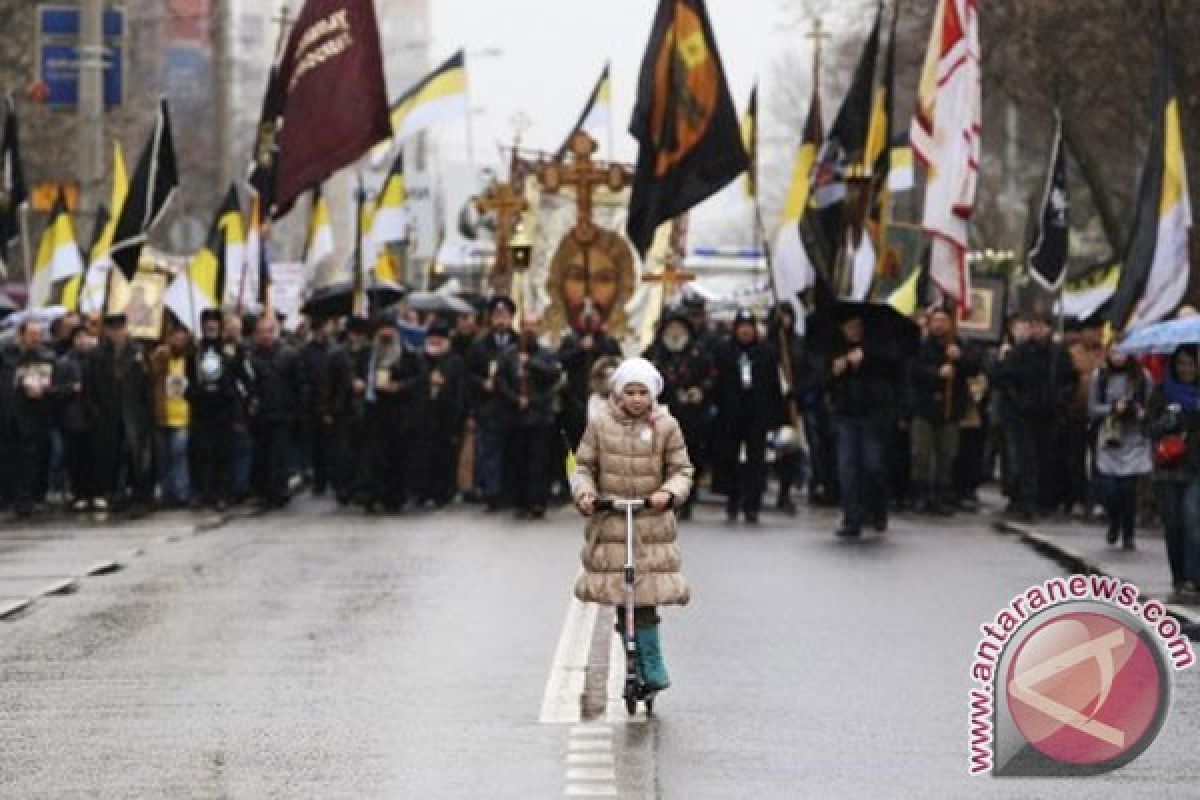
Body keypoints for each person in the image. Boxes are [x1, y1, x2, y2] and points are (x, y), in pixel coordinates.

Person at [573, 357, 694, 694]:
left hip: (649, 525)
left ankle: (651, 663)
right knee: (620, 595)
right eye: (631, 392)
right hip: (612, 521)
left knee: (644, 597)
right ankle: (631, 659)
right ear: (619, 394)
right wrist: (585, 494)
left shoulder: (665, 426)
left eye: (643, 392)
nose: (637, 398)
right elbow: (583, 467)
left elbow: (681, 470)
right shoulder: (599, 425)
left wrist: (667, 493)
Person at [826, 308, 900, 537]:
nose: (853, 331)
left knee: (873, 465)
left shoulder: (879, 346)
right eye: (849, 327)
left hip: (873, 414)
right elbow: (820, 379)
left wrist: (867, 357)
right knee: (847, 468)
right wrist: (834, 372)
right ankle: (852, 518)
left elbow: (894, 365)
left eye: (857, 327)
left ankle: (877, 508)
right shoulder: (834, 349)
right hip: (846, 414)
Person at [711, 309, 784, 524]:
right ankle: (732, 500)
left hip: (757, 414)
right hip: (731, 414)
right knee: (730, 458)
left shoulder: (767, 353)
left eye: (749, 327)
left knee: (756, 461)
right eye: (741, 327)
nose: (745, 331)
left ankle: (752, 505)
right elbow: (717, 383)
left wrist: (775, 416)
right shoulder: (724, 351)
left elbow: (774, 386)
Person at [908, 307, 980, 515]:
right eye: (935, 320)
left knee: (947, 453)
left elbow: (975, 367)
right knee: (921, 453)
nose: (939, 324)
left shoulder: (959, 345)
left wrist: (959, 359)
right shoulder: (921, 346)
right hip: (925, 407)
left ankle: (942, 494)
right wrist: (936, 374)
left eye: (943, 320)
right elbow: (913, 371)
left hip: (950, 410)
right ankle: (920, 494)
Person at [644, 308, 711, 519]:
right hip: (660, 414)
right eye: (671, 328)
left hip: (690, 416)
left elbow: (711, 378)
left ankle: (685, 498)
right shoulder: (652, 354)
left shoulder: (698, 355)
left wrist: (700, 390)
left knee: (687, 458)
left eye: (679, 328)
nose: (674, 333)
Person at [1146, 346, 1200, 594]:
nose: (1187, 369)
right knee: (1173, 523)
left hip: (1195, 467)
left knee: (1191, 519)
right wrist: (1167, 422)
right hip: (1167, 468)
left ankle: (1193, 576)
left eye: (1191, 364)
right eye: (1182, 364)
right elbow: (1147, 429)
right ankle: (1178, 575)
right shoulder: (1162, 391)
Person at [87, 313, 154, 511]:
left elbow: (146, 385)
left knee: (135, 453)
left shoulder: (137, 352)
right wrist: (95, 412)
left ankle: (139, 492)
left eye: (120, 329)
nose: (117, 333)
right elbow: (90, 387)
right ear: (107, 331)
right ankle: (113, 491)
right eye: (113, 329)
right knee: (110, 454)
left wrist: (146, 411)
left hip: (133, 412)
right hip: (108, 412)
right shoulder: (97, 355)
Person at [497, 313, 562, 518]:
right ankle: (520, 501)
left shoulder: (545, 354)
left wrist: (531, 363)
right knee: (518, 460)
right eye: (526, 325)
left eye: (534, 325)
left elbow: (553, 376)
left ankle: (538, 501)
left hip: (540, 416)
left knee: (539, 461)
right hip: (515, 415)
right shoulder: (509, 354)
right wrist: (515, 398)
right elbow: (501, 381)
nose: (530, 329)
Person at [1088, 346, 1153, 549]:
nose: (1118, 358)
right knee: (1111, 488)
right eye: (1114, 353)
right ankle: (1113, 519)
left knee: (1128, 489)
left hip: (1134, 438)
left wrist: (1138, 411)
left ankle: (1128, 532)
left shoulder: (1143, 377)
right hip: (1110, 436)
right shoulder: (1100, 375)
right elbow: (1092, 408)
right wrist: (1112, 409)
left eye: (1122, 353)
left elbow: (1150, 406)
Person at [363, 320, 423, 512]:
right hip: (374, 412)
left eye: (389, 329)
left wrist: (401, 386)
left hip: (399, 412)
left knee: (397, 457)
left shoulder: (407, 353)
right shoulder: (368, 354)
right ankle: (372, 495)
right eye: (382, 329)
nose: (386, 333)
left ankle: (394, 497)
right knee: (374, 457)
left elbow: (420, 378)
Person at [187, 309, 243, 510]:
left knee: (223, 453)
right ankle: (203, 492)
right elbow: (189, 378)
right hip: (202, 410)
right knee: (202, 453)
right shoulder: (195, 350)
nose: (210, 326)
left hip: (223, 409)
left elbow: (238, 376)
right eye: (207, 322)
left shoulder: (229, 350)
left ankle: (223, 493)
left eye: (214, 322)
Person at [466, 296, 518, 511]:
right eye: (497, 316)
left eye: (504, 316)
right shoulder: (479, 345)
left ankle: (509, 491)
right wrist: (481, 383)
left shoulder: (519, 342)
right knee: (489, 452)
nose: (501, 321)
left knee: (510, 450)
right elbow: (469, 374)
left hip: (512, 405)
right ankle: (491, 493)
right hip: (488, 407)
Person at [247, 315, 302, 508]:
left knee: (279, 454)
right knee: (262, 453)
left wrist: (296, 411)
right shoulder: (251, 357)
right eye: (261, 332)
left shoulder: (289, 355)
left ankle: (279, 489)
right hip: (260, 414)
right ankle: (264, 491)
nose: (265, 336)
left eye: (269, 332)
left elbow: (298, 385)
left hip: (283, 413)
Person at [414, 320, 466, 508]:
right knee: (422, 456)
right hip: (423, 416)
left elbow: (460, 392)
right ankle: (422, 491)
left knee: (445, 457)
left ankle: (443, 493)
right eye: (432, 338)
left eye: (439, 338)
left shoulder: (455, 361)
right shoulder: (419, 359)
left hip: (446, 417)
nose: (435, 341)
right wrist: (427, 381)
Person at [8, 320, 57, 516]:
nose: (36, 338)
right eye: (32, 334)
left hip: (35, 416)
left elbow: (50, 381)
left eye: (38, 334)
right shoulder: (7, 355)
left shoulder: (46, 356)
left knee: (31, 459)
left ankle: (28, 497)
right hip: (10, 415)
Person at [558, 308, 622, 448]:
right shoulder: (571, 339)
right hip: (576, 398)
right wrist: (580, 349)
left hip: (603, 397)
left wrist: (597, 346)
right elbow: (561, 360)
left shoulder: (608, 340)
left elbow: (616, 360)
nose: (590, 318)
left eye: (594, 315)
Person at [324, 316, 372, 506]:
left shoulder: (370, 354)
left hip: (365, 409)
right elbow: (329, 383)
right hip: (343, 409)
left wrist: (365, 383)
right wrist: (328, 407)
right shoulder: (337, 355)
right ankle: (343, 487)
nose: (357, 337)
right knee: (343, 451)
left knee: (363, 451)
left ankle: (361, 487)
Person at [151, 326, 193, 508]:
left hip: (182, 416)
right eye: (175, 338)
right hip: (162, 414)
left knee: (179, 455)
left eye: (182, 339)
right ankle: (167, 492)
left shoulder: (189, 360)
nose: (178, 342)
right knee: (163, 457)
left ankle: (181, 491)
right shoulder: (162, 359)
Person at [56, 325, 97, 511]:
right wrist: (71, 389)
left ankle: (94, 493)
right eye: (78, 337)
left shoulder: (96, 360)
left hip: (93, 416)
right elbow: (55, 390)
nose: (82, 341)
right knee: (76, 458)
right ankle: (79, 493)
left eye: (85, 337)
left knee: (93, 457)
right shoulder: (64, 362)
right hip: (73, 417)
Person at [298, 317, 337, 495]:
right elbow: (303, 377)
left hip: (333, 401)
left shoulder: (335, 350)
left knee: (333, 443)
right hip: (313, 404)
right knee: (317, 444)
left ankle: (334, 477)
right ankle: (319, 479)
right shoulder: (306, 352)